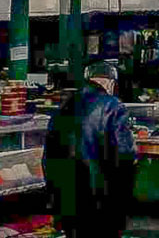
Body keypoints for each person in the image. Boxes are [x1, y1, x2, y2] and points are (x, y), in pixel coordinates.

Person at [43, 62, 136, 238]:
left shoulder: (64, 106)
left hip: (67, 199)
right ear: (110, 82)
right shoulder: (113, 105)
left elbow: (48, 156)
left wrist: (55, 198)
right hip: (101, 199)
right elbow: (125, 155)